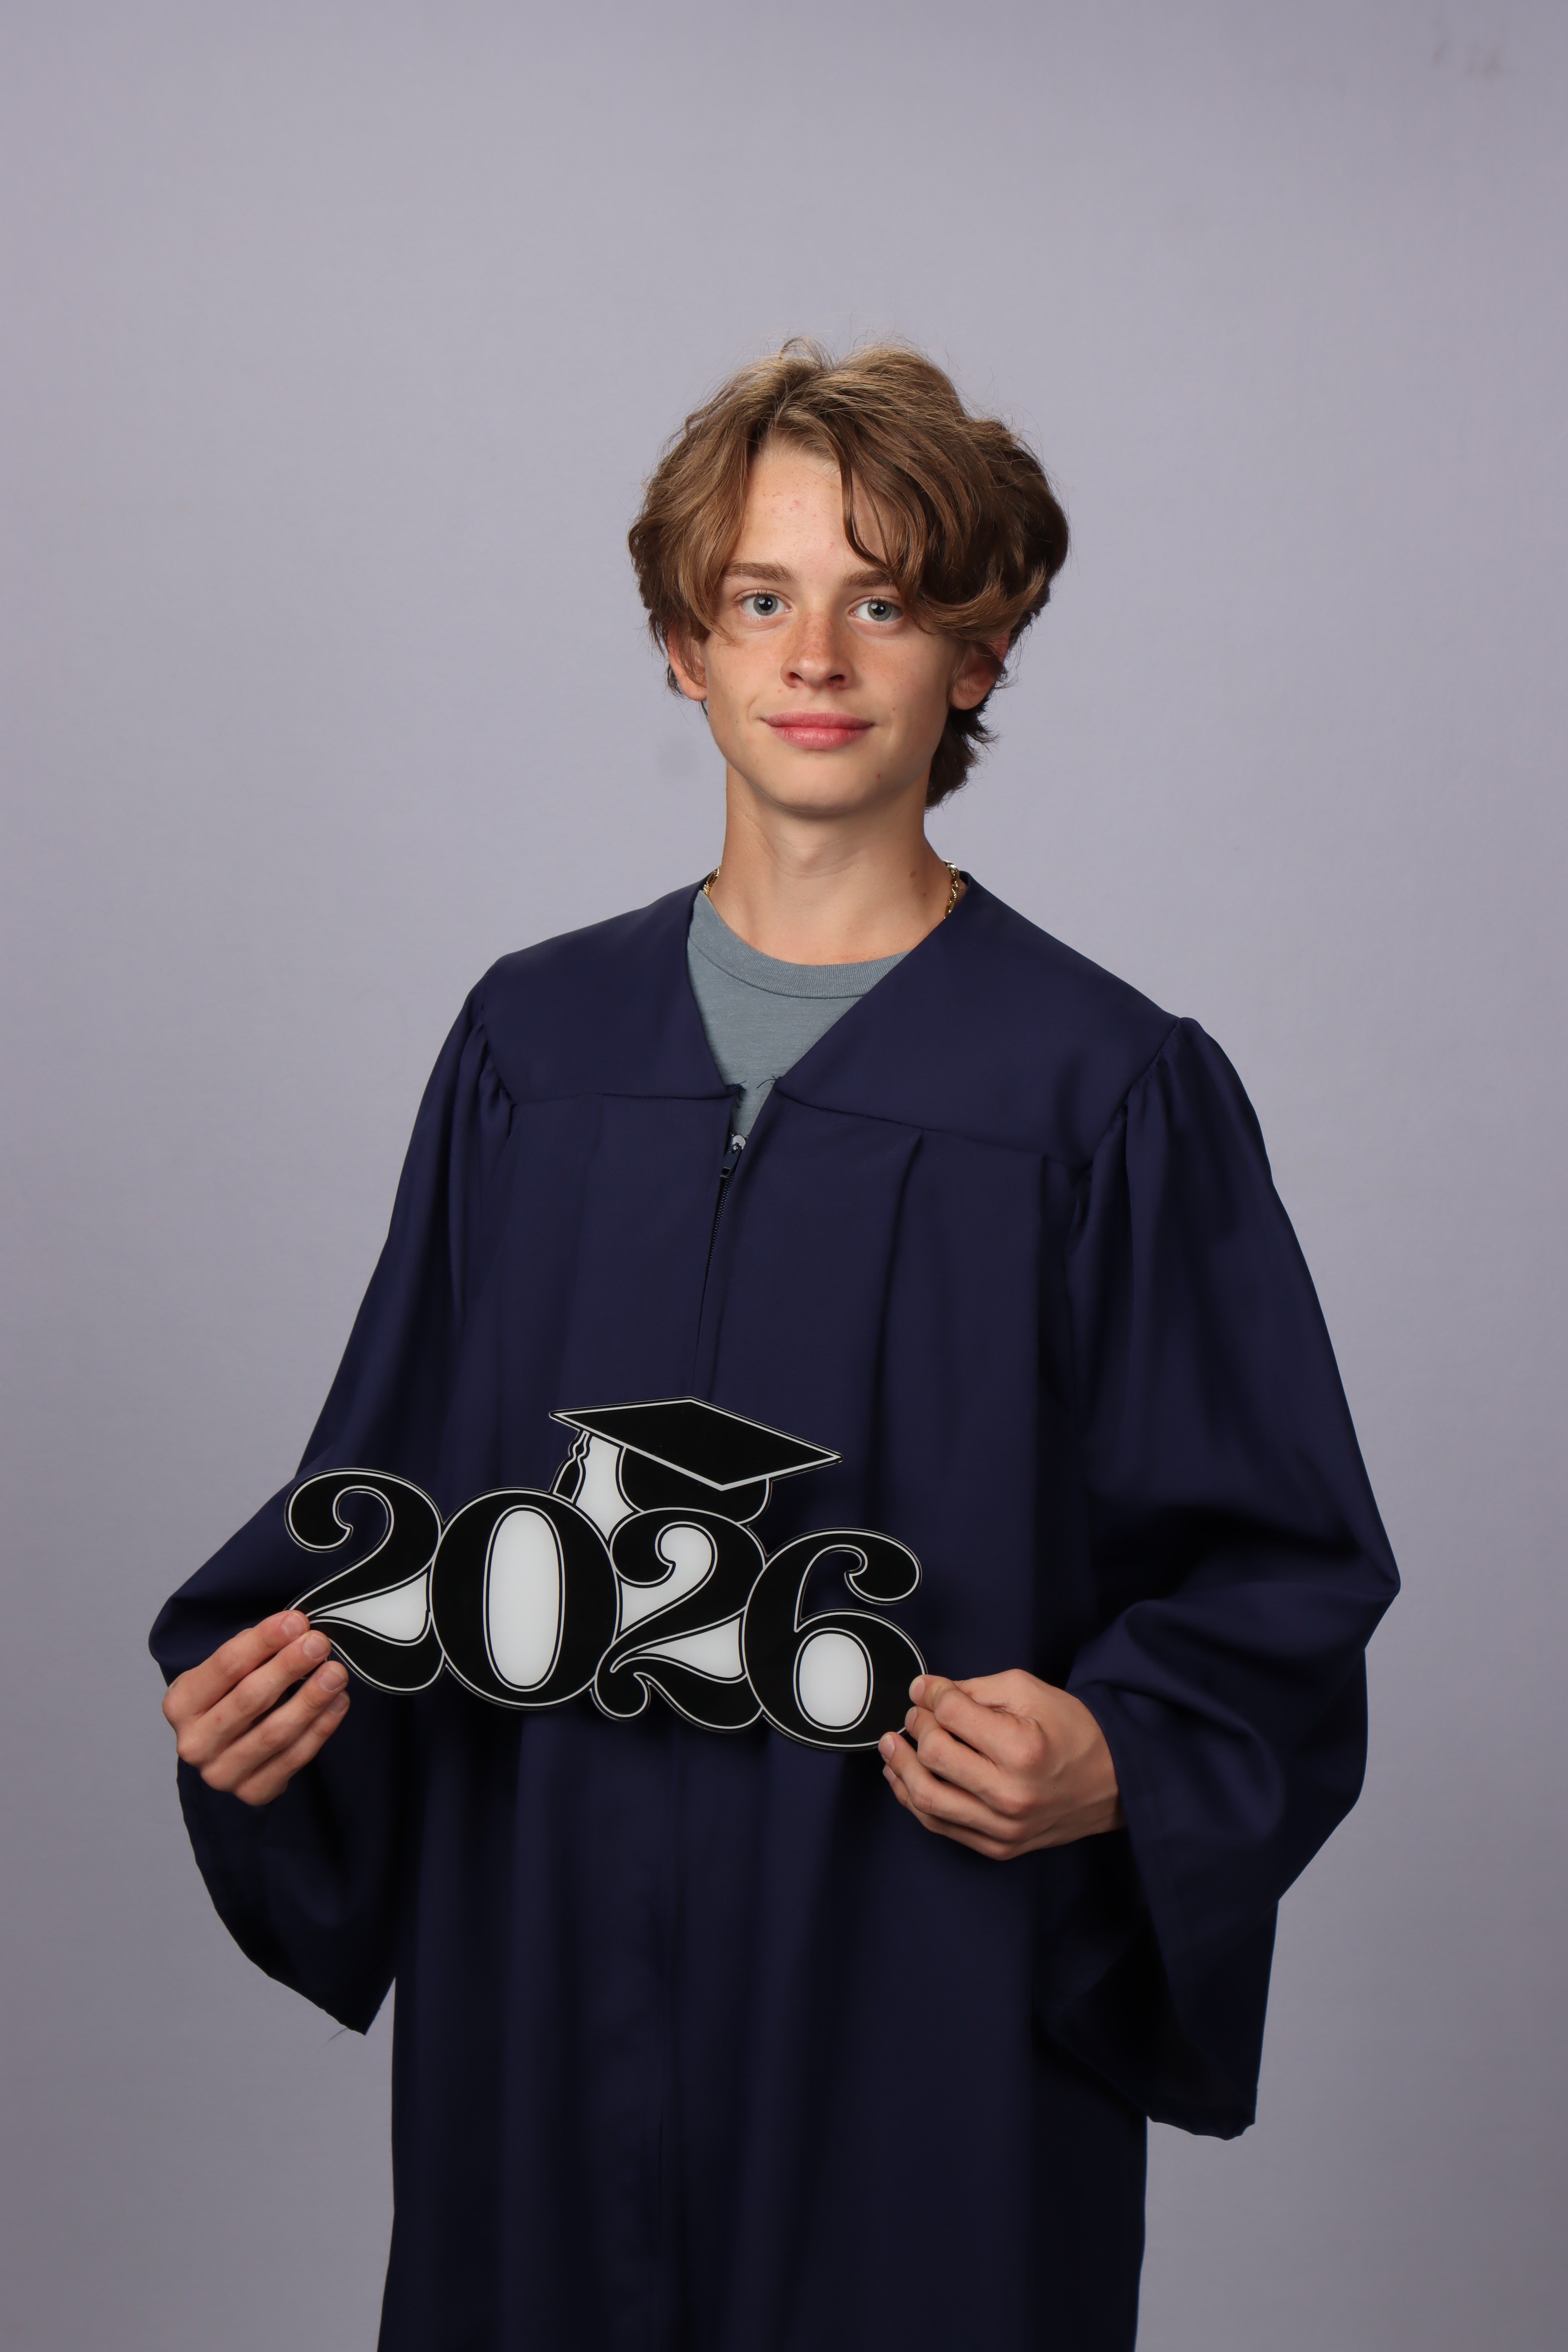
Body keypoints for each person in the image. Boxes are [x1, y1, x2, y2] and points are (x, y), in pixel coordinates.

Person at [151, 342, 1398, 2352]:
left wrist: (1120, 1756)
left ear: (977, 656)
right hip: (545, 1981)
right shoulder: (532, 1050)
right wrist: (278, 1711)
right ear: (685, 648)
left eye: (882, 601)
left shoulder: (1099, 1092)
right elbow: (390, 1501)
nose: (815, 655)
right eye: (759, 597)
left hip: (919, 2006)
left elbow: (1275, 1575)